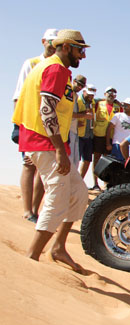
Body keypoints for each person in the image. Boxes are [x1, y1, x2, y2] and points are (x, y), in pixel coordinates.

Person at [11, 29, 90, 274]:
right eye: (80, 49)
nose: (83, 56)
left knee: (78, 192)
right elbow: (47, 109)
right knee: (57, 194)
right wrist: (58, 149)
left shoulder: (60, 70)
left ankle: (57, 247)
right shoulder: (54, 69)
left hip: (52, 142)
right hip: (43, 141)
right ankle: (32, 256)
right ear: (66, 47)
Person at [12, 28, 58, 222]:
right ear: (43, 41)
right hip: (29, 123)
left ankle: (35, 209)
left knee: (42, 169)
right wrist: (19, 124)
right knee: (28, 165)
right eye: (50, 42)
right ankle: (27, 210)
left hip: (48, 127)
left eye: (56, 43)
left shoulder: (57, 67)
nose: (52, 45)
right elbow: (18, 96)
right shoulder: (31, 63)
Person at [91, 86, 118, 190]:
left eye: (113, 93)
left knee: (107, 160)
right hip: (99, 134)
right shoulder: (99, 104)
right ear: (104, 94)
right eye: (109, 92)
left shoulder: (117, 107)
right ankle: (95, 183)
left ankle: (106, 183)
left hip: (111, 135)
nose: (111, 94)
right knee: (97, 158)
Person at [107, 97, 130, 161]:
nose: (124, 107)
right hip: (117, 144)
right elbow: (109, 129)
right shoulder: (118, 115)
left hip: (129, 147)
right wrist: (108, 143)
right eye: (123, 105)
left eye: (126, 105)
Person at [77, 84, 96, 178]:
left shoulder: (92, 102)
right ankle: (72, 181)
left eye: (92, 95)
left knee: (88, 159)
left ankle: (80, 180)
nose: (91, 96)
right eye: (89, 94)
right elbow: (70, 114)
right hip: (78, 135)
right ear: (84, 91)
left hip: (89, 135)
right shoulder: (77, 100)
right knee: (76, 159)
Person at [67, 74, 87, 168]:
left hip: (75, 131)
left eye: (82, 86)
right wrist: (84, 115)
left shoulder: (75, 95)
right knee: (69, 160)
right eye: (79, 85)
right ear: (74, 81)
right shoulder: (68, 93)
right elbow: (68, 114)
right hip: (68, 130)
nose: (80, 87)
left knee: (75, 161)